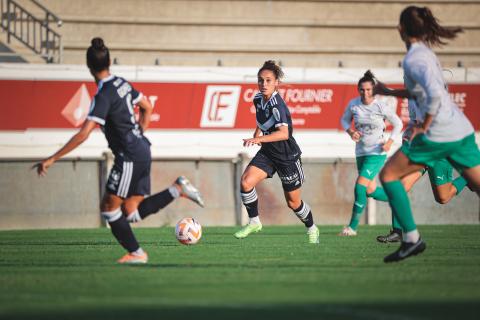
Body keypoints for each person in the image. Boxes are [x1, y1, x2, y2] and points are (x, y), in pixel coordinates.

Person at [33, 37, 204, 264]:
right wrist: (139, 133)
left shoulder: (102, 95)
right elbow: (147, 106)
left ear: (89, 66)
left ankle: (137, 253)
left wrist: (52, 158)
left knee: (109, 208)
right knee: (130, 212)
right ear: (110, 61)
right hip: (142, 148)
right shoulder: (122, 83)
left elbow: (84, 134)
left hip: (129, 156)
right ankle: (177, 189)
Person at [379, 6, 480, 262]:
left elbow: (434, 95)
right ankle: (407, 237)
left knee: (389, 175)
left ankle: (411, 239)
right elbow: (424, 93)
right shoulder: (425, 53)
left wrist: (423, 126)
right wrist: (390, 93)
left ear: (401, 29)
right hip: (461, 130)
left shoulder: (414, 58)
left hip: (438, 134)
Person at [233, 60, 320, 244]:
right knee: (246, 182)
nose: (264, 84)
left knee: (293, 203)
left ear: (276, 83)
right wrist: (257, 133)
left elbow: (284, 133)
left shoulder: (277, 105)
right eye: (261, 80)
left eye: (268, 80)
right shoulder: (257, 99)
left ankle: (312, 228)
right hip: (268, 153)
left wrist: (259, 139)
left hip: (287, 156)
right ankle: (254, 222)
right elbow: (261, 119)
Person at [374, 96, 469, 243]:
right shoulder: (413, 94)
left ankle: (468, 177)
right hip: (421, 149)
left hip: (439, 148)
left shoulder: (432, 93)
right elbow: (416, 122)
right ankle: (397, 232)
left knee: (443, 198)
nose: (406, 77)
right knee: (400, 184)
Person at [338, 70, 403, 236]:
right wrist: (351, 132)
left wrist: (390, 141)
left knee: (360, 187)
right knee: (370, 191)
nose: (365, 93)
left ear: (374, 90)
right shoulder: (354, 104)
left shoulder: (381, 106)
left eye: (368, 90)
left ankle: (352, 228)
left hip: (377, 152)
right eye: (362, 89)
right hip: (361, 152)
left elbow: (398, 123)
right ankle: (398, 198)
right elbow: (344, 120)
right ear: (358, 90)